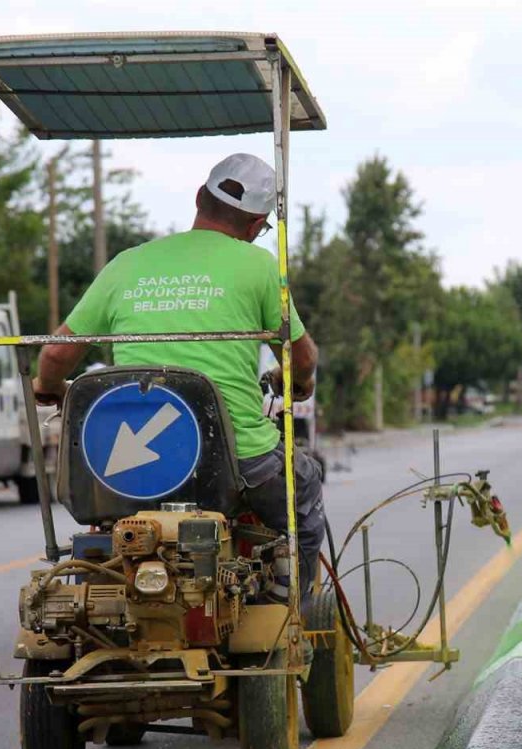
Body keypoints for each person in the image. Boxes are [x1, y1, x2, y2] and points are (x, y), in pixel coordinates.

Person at [33, 153, 324, 602]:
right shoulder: (261, 265)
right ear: (255, 225)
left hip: (127, 470)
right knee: (304, 491)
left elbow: (55, 353)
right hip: (235, 459)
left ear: (199, 198)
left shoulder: (126, 264)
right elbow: (303, 356)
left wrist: (48, 388)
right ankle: (289, 606)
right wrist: (296, 380)